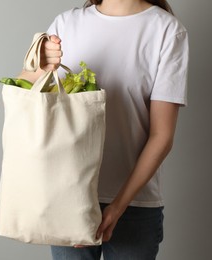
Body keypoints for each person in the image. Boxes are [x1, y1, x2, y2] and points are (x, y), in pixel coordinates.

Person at [18, 0, 189, 259]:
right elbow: (26, 103)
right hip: (68, 196)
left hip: (134, 205)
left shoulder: (166, 30)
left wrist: (118, 206)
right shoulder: (66, 24)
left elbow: (161, 136)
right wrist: (38, 69)